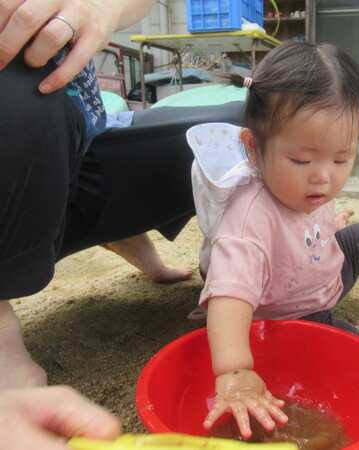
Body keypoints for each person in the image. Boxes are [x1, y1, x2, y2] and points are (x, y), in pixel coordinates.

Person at [0, 0, 243, 446]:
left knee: (240, 126)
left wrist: (101, 6)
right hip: (17, 166)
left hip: (87, 143)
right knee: (20, 86)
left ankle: (123, 230)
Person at [189, 41, 359, 440]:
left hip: (319, 267)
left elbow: (314, 218)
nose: (323, 177)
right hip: (292, 320)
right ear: (255, 149)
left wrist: (333, 221)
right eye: (301, 161)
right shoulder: (247, 224)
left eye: (341, 159)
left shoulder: (309, 185)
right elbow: (229, 298)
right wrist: (236, 371)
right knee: (354, 355)